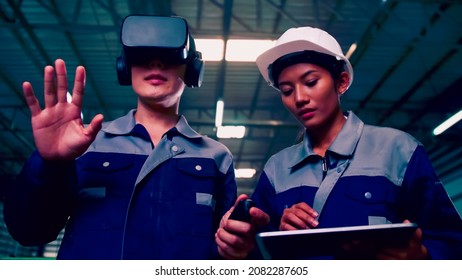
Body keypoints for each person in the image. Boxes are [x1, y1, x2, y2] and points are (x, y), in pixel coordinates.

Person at [3, 14, 266, 260]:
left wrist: (238, 244)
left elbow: (223, 251)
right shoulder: (86, 144)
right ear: (125, 67)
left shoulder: (215, 157)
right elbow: (29, 232)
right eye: (142, 54)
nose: (155, 62)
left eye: (169, 54)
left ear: (193, 69)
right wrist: (49, 162)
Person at [250, 26, 462, 259]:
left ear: (341, 82)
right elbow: (255, 256)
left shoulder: (399, 150)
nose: (299, 98)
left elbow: (451, 239)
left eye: (310, 82)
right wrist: (279, 237)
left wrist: (422, 257)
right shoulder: (276, 169)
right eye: (287, 90)